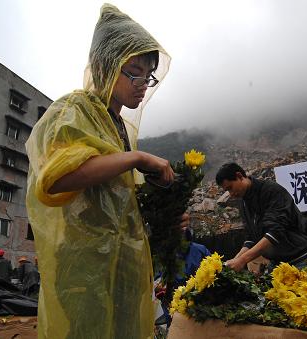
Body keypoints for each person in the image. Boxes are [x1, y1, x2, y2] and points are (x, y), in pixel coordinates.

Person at [25, 4, 186, 338]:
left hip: (123, 265)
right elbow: (57, 177)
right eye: (135, 72)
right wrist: (137, 159)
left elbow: (121, 203)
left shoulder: (118, 128)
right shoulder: (73, 110)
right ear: (105, 65)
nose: (143, 84)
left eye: (149, 76)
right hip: (86, 268)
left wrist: (165, 215)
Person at [215, 163, 307, 272]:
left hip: (301, 259)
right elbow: (251, 238)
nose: (230, 194)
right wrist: (235, 261)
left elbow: (275, 233)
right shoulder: (243, 202)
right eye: (227, 190)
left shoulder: (270, 191)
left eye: (230, 188)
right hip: (278, 264)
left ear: (239, 176)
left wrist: (242, 260)